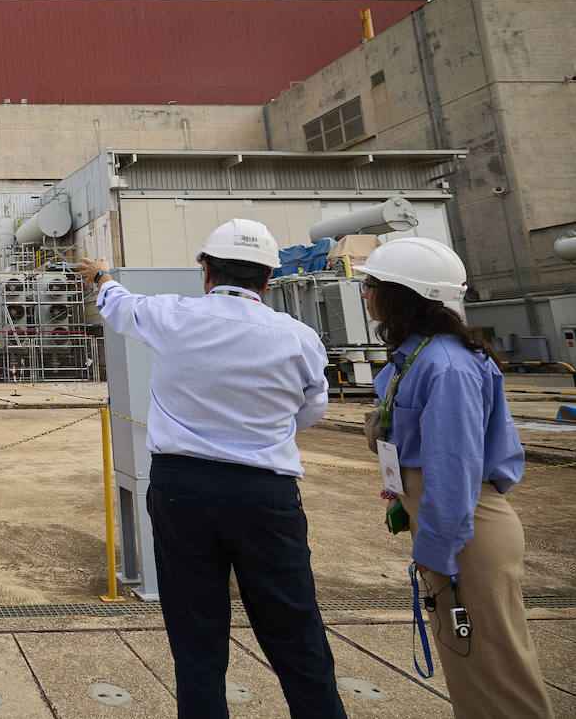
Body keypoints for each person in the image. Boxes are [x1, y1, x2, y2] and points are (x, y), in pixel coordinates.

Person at [78, 219, 346, 719]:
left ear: (206, 272)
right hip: (267, 496)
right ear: (267, 279)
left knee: (197, 640)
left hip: (184, 492)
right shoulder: (300, 338)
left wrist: (100, 276)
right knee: (296, 634)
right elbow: (312, 410)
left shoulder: (171, 317)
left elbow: (119, 305)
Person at [358, 237, 552, 718]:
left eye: (372, 283)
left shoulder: (445, 366)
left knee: (497, 675)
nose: (364, 292)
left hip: (464, 525)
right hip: (450, 520)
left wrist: (436, 553)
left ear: (402, 293)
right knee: (472, 667)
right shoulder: (422, 354)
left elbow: (452, 471)